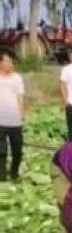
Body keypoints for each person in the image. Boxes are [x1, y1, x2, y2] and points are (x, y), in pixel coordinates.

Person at [0, 48, 24, 182]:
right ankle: (2, 178)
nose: (10, 64)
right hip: (0, 122)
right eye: (7, 61)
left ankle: (14, 173)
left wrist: (22, 115)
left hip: (15, 121)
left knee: (17, 152)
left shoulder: (17, 78)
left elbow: (20, 98)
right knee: (1, 152)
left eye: (11, 62)